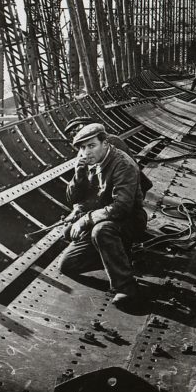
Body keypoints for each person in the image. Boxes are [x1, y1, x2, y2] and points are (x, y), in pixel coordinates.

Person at [59, 123, 147, 307]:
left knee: (101, 231)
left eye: (91, 146)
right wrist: (79, 174)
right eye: (83, 148)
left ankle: (126, 287)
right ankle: (118, 255)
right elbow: (72, 198)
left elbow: (121, 207)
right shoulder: (90, 162)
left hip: (128, 221)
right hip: (103, 217)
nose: (86, 152)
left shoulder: (122, 164)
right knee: (67, 265)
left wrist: (85, 220)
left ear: (105, 143)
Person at [64, 117, 153, 198]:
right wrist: (78, 174)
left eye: (79, 128)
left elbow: (127, 170)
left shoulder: (112, 141)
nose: (76, 133)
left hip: (131, 186)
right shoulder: (83, 151)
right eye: (72, 133)